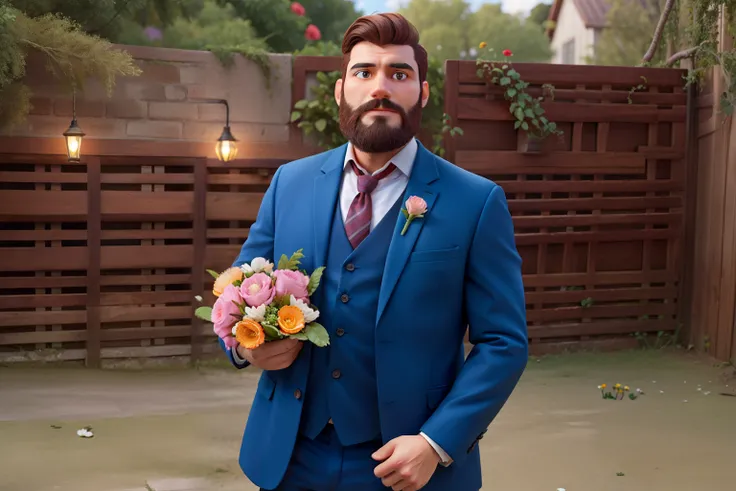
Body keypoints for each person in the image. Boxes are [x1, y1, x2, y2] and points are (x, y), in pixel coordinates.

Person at [220, 12, 528, 491]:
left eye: (399, 74)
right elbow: (239, 286)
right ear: (341, 89)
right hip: (289, 454)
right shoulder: (290, 184)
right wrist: (243, 345)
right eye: (364, 72)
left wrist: (435, 443)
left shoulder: (476, 201)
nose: (379, 87)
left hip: (408, 465)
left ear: (422, 93)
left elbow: (503, 343)